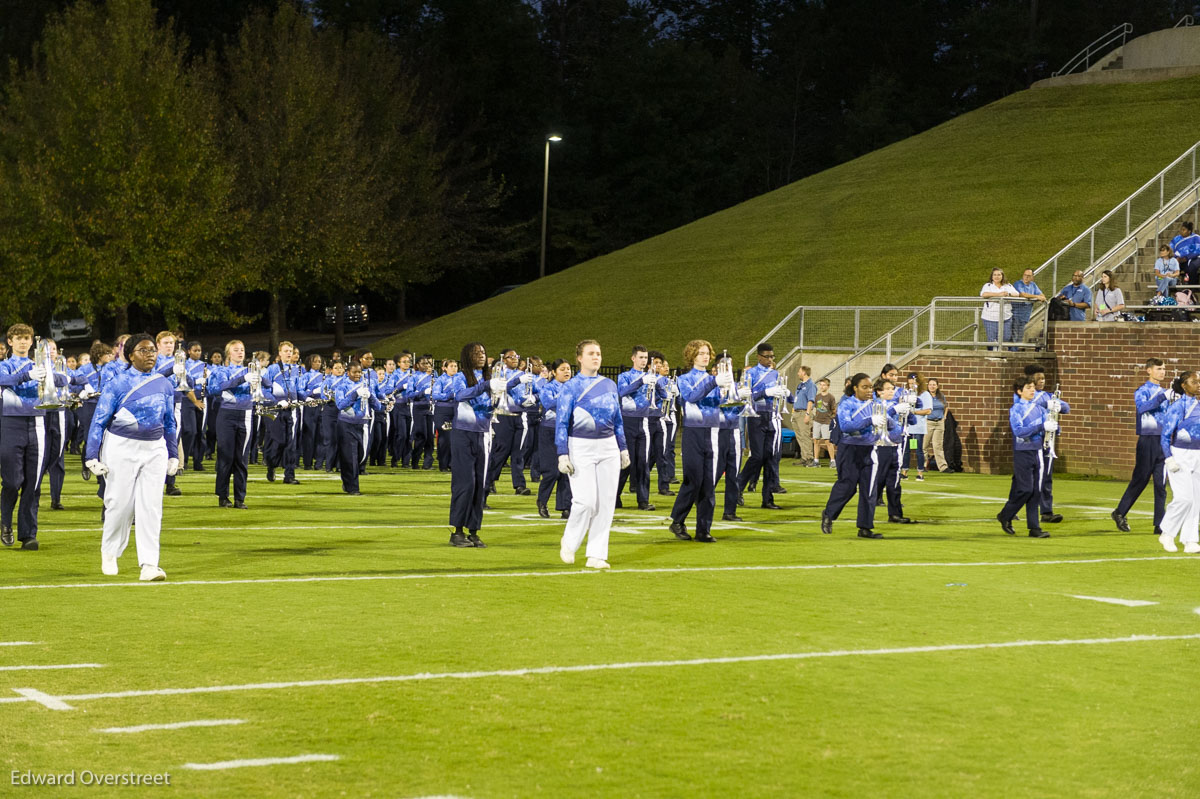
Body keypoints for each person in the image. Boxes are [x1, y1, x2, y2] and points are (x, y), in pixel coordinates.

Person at [85, 333, 179, 580]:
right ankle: (109, 551)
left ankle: (149, 564)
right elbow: (99, 420)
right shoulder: (118, 383)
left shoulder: (165, 384)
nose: (150, 355)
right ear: (130, 355)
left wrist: (173, 453)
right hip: (121, 446)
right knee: (120, 504)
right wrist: (91, 455)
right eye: (143, 350)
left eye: (152, 350)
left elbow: (170, 422)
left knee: (151, 506)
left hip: (155, 448)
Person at [556, 340, 629, 569]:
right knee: (585, 501)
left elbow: (617, 419)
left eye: (598, 353)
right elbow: (561, 421)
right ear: (580, 358)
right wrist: (562, 453)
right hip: (580, 445)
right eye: (591, 354)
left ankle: (597, 554)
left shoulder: (610, 384)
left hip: (608, 446)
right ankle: (569, 541)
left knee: (606, 503)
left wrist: (623, 447)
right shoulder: (571, 386)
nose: (596, 357)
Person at [448, 342, 527, 548]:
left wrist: (514, 400)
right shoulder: (461, 377)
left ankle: (474, 531)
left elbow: (495, 405)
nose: (481, 355)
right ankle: (457, 531)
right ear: (467, 356)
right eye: (476, 352)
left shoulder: (488, 377)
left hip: (483, 433)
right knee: (465, 483)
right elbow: (459, 396)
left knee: (480, 484)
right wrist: (486, 386)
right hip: (463, 433)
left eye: (483, 351)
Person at [0, 324, 70, 550]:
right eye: (18, 338)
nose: (23, 342)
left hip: (38, 423)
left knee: (33, 483)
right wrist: (26, 375)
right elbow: (5, 380)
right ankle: (5, 521)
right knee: (12, 481)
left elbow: (63, 380)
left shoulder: (39, 363)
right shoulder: (5, 365)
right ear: (10, 342)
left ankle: (28, 534)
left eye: (26, 338)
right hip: (10, 423)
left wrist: (50, 374)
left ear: (32, 342)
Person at [821, 373, 898, 539]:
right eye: (864, 387)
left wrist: (890, 421)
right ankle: (829, 513)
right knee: (848, 486)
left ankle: (865, 527)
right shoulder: (847, 404)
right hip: (849, 449)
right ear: (855, 388)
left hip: (870, 449)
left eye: (870, 387)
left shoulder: (876, 404)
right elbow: (847, 426)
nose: (869, 390)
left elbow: (893, 426)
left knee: (869, 489)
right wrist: (870, 420)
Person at [668, 339, 727, 543]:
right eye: (700, 353)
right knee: (693, 479)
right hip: (693, 432)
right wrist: (713, 382)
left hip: (713, 431)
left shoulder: (714, 378)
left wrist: (738, 398)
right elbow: (692, 397)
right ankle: (677, 519)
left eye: (707, 353)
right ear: (692, 355)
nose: (705, 356)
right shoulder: (684, 379)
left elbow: (721, 404)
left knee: (708, 484)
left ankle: (704, 529)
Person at [1112, 358, 1169, 536]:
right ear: (1148, 371)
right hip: (1147, 440)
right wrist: (1162, 397)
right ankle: (1120, 512)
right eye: (1159, 369)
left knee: (1161, 484)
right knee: (1141, 479)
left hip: (1164, 441)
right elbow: (1143, 407)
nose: (1162, 372)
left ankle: (1160, 524)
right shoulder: (1142, 391)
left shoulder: (1166, 392)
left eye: (1164, 369)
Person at [997, 375, 1054, 538]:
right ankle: (1006, 514)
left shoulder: (1040, 408)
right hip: (1023, 450)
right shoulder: (1016, 409)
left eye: (1033, 388)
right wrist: (1041, 426)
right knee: (1025, 489)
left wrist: (1053, 427)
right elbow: (1019, 431)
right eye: (1028, 388)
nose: (1032, 390)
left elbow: (1046, 427)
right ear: (1019, 391)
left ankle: (1034, 528)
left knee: (1036, 490)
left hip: (1039, 451)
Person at [737, 342, 790, 509]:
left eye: (772, 357)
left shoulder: (776, 374)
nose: (770, 359)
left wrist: (788, 394)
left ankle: (767, 498)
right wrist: (765, 393)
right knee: (757, 456)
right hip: (756, 416)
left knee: (770, 458)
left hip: (772, 416)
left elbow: (788, 398)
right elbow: (745, 397)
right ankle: (737, 487)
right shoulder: (751, 373)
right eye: (766, 356)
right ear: (759, 356)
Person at [615, 346, 662, 511]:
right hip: (626, 422)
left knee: (643, 462)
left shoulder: (651, 376)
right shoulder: (625, 376)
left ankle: (643, 500)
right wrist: (641, 381)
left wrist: (662, 386)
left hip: (644, 422)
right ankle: (614, 496)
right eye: (641, 357)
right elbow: (622, 391)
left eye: (646, 358)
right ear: (633, 358)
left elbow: (662, 395)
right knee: (625, 463)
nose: (644, 361)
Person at [1158, 372, 1200, 553]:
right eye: (1194, 382)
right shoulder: (1177, 407)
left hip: (1198, 455)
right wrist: (1169, 458)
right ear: (1184, 385)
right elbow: (1165, 435)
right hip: (1180, 454)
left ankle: (1190, 540)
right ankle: (1167, 532)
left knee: (1196, 501)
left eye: (1199, 382)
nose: (1198, 385)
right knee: (1184, 498)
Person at [1026, 364, 1069, 524]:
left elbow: (1066, 407)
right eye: (1039, 378)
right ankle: (1016, 507)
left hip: (1047, 440)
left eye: (1044, 378)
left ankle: (1046, 511)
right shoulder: (1023, 395)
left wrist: (1059, 405)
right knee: (1025, 478)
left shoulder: (1047, 395)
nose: (1042, 381)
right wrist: (1045, 404)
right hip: (1030, 441)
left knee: (1046, 476)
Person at [486, 349, 532, 495]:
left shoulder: (524, 375)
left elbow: (538, 390)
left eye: (516, 357)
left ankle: (519, 485)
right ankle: (490, 481)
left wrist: (534, 398)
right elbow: (502, 388)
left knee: (518, 453)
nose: (514, 359)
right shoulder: (499, 374)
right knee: (501, 451)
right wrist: (518, 380)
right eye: (510, 357)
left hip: (520, 415)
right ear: (504, 360)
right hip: (503, 415)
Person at [334, 361, 381, 495]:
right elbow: (340, 405)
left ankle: (348, 480)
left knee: (362, 455)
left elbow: (378, 407)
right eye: (354, 372)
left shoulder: (366, 386)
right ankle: (353, 487)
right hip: (346, 424)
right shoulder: (341, 386)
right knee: (350, 457)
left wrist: (370, 396)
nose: (357, 374)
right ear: (348, 372)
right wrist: (354, 395)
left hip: (363, 424)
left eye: (359, 372)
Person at [535, 359, 573, 519]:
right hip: (549, 430)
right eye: (563, 369)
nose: (567, 372)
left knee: (567, 470)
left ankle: (565, 506)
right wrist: (568, 400)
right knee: (552, 471)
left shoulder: (574, 387)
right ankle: (542, 501)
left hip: (568, 430)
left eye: (569, 369)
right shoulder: (548, 387)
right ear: (554, 372)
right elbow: (548, 403)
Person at [262, 341, 300, 484]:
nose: (289, 353)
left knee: (291, 442)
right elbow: (264, 389)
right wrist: (275, 401)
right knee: (278, 441)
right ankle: (271, 465)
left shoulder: (296, 369)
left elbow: (298, 388)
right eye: (286, 351)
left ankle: (289, 475)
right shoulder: (271, 369)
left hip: (292, 409)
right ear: (280, 353)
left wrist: (303, 397)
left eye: (290, 350)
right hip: (276, 409)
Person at [655, 356, 679, 496]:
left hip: (668, 416)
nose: (665, 367)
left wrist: (675, 392)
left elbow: (678, 398)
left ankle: (668, 477)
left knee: (668, 449)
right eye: (662, 365)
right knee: (657, 452)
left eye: (666, 365)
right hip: (656, 417)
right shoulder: (654, 381)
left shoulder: (670, 381)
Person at [899, 372, 929, 481]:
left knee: (918, 450)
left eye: (914, 383)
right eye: (910, 383)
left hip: (918, 427)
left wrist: (914, 412)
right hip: (907, 427)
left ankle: (920, 472)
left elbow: (928, 410)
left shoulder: (925, 394)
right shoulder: (906, 393)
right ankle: (904, 472)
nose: (911, 386)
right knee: (905, 450)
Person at [980, 268, 1019, 347]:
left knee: (1006, 337)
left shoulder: (1008, 285)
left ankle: (1000, 354)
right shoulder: (988, 285)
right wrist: (999, 294)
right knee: (992, 339)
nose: (997, 276)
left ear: (1002, 276)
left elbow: (1017, 294)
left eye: (999, 275)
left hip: (1006, 317)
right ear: (992, 277)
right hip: (990, 317)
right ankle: (992, 356)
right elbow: (984, 294)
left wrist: (1008, 294)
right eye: (995, 275)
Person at [431, 358, 458, 472]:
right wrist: (449, 395)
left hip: (456, 410)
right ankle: (443, 464)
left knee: (455, 439)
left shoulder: (460, 379)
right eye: (451, 366)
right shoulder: (440, 380)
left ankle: (452, 464)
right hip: (443, 411)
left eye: (455, 366)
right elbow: (436, 395)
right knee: (445, 438)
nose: (454, 368)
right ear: (445, 368)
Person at [1011, 268, 1046, 344]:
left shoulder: (1033, 285)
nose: (1026, 277)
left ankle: (1016, 352)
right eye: (1025, 275)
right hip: (1016, 314)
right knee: (1015, 335)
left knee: (1020, 336)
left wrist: (1038, 296)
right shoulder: (1018, 284)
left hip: (1025, 315)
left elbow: (1042, 296)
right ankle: (1013, 352)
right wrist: (1036, 297)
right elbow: (1022, 294)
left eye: (1028, 276)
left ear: (1032, 277)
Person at [922, 377, 950, 473]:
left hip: (939, 423)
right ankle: (923, 465)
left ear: (937, 386)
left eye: (934, 385)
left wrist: (944, 417)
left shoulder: (941, 396)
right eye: (930, 384)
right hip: (928, 422)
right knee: (924, 445)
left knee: (938, 445)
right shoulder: (924, 396)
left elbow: (946, 406)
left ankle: (943, 467)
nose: (932, 386)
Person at [790, 365, 816, 464]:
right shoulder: (801, 385)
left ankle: (809, 458)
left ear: (804, 373)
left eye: (799, 371)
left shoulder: (811, 385)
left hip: (804, 413)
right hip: (796, 413)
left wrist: (808, 414)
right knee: (799, 437)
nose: (798, 373)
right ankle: (804, 457)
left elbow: (810, 400)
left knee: (805, 436)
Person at [811, 378, 836, 467]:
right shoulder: (817, 397)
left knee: (828, 442)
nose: (822, 386)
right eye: (820, 385)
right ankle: (816, 461)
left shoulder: (831, 397)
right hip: (817, 421)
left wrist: (831, 419)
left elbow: (833, 410)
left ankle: (832, 461)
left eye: (824, 385)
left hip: (826, 422)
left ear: (828, 386)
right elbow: (815, 407)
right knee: (816, 441)